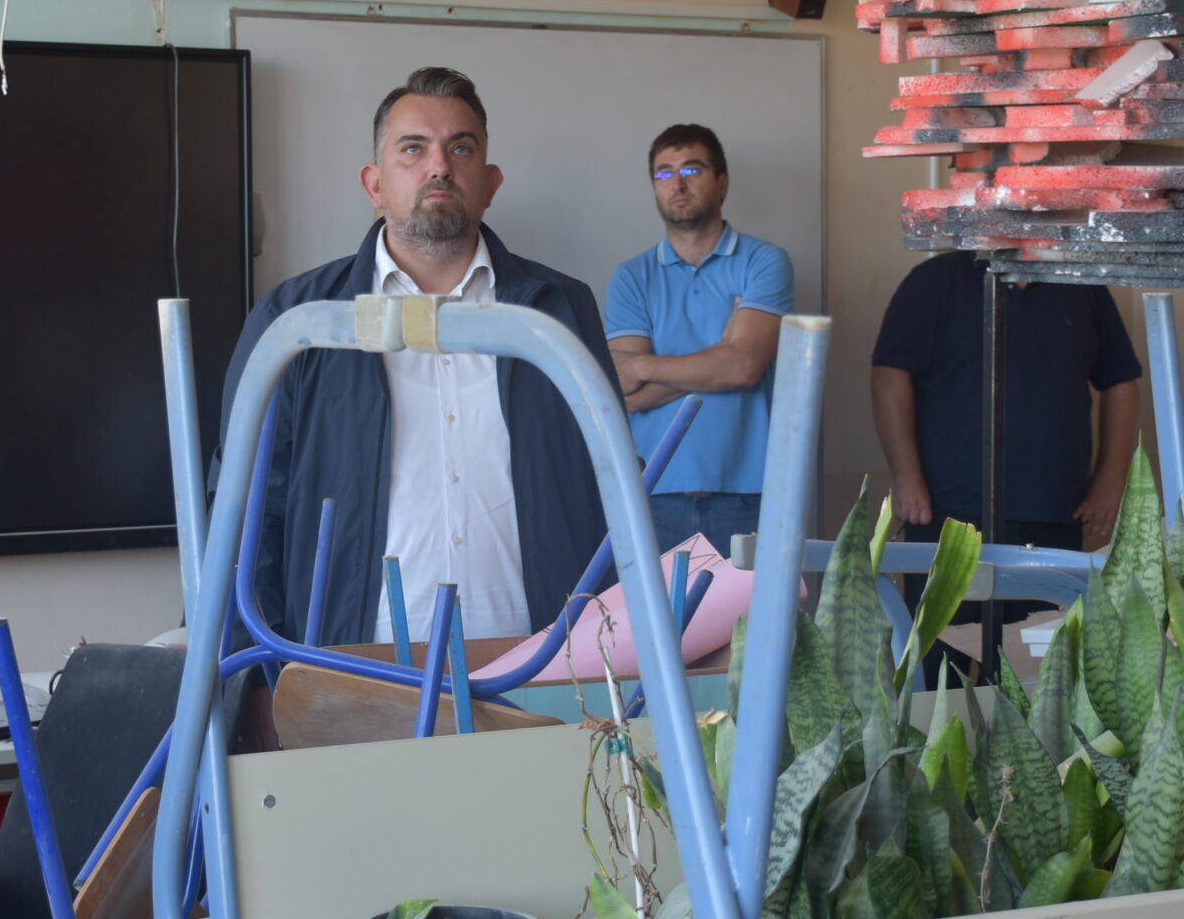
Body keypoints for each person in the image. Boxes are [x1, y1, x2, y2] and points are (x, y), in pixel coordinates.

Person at [222, 66, 619, 648]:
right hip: (350, 660)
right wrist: (253, 676)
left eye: (461, 148)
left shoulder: (560, 309)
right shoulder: (296, 320)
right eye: (413, 148)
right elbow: (244, 511)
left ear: (490, 182)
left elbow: (607, 490)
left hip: (545, 658)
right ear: (374, 184)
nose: (439, 167)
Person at [604, 123, 796, 554]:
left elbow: (743, 368)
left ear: (722, 184)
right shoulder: (631, 277)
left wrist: (643, 365)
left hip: (749, 494)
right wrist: (720, 358)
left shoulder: (764, 262)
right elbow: (625, 394)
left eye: (692, 170)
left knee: (752, 606)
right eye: (664, 173)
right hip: (651, 493)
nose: (677, 184)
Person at [869, 252, 1141, 549]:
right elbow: (889, 376)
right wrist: (907, 476)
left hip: (1056, 512)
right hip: (946, 511)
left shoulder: (1082, 284)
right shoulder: (934, 280)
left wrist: (1110, 479)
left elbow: (1120, 382)